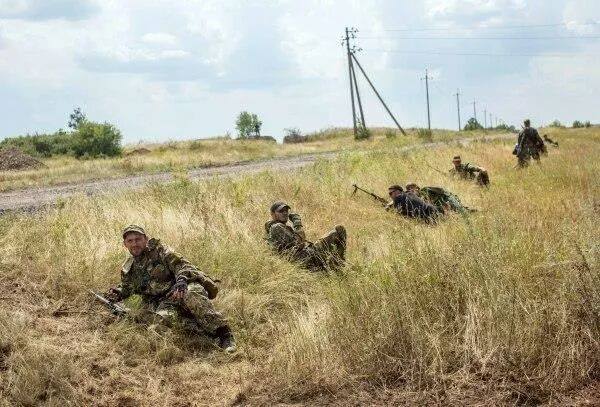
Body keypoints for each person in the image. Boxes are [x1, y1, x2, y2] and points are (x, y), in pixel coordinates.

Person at [108, 225, 236, 353]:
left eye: (138, 239)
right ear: (125, 244)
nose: (134, 244)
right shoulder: (128, 268)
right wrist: (118, 293)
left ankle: (224, 334)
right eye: (130, 241)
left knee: (191, 293)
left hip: (181, 290)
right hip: (166, 302)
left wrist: (181, 280)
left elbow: (183, 265)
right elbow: (129, 289)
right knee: (158, 325)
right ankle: (204, 332)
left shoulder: (160, 250)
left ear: (145, 239)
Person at [265, 202, 346, 272]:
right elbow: (300, 243)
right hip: (304, 258)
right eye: (281, 211)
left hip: (304, 256)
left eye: (286, 211)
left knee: (337, 235)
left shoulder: (279, 227)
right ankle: (337, 266)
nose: (285, 213)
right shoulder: (277, 226)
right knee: (339, 230)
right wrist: (297, 224)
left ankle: (335, 265)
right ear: (272, 214)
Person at [405, 183, 474, 214]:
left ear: (417, 188)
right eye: (409, 189)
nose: (411, 189)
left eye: (412, 187)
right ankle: (471, 211)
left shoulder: (425, 189)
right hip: (441, 206)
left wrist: (451, 200)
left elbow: (442, 191)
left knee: (461, 211)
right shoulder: (418, 199)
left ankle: (473, 212)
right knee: (456, 213)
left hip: (447, 198)